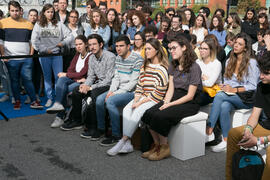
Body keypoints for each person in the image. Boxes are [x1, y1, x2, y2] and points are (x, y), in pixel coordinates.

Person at [140, 37, 202, 161]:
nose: (171, 51)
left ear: (184, 47)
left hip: (189, 102)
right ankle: (157, 145)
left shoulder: (194, 67)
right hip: (174, 96)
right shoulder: (173, 65)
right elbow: (171, 89)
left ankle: (164, 147)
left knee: (160, 116)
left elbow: (190, 95)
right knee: (148, 114)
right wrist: (166, 101)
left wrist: (169, 105)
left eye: (174, 48)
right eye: (170, 49)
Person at [107, 38, 169, 156]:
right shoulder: (145, 66)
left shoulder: (162, 69)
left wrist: (139, 103)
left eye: (149, 49)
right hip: (142, 97)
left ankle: (123, 140)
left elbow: (157, 94)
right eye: (146, 49)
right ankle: (128, 143)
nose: (146, 51)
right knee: (127, 109)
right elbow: (140, 85)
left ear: (157, 51)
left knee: (137, 111)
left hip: (154, 100)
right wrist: (136, 99)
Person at [205, 33, 260, 152]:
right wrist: (225, 86)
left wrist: (234, 89)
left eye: (240, 44)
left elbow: (253, 86)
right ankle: (226, 140)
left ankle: (209, 129)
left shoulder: (252, 62)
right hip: (231, 95)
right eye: (235, 43)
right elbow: (228, 80)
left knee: (219, 95)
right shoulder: (230, 60)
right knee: (224, 106)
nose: (236, 46)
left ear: (245, 48)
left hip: (248, 97)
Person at [225, 34, 270, 180]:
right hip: (266, 126)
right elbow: (255, 115)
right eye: (261, 72)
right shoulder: (262, 86)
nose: (261, 76)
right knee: (233, 134)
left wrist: (258, 141)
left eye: (266, 73)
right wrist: (248, 130)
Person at [60, 34, 116, 137]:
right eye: (90, 45)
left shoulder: (110, 57)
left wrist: (90, 87)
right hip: (98, 83)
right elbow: (90, 77)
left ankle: (94, 128)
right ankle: (77, 121)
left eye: (94, 44)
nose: (92, 47)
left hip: (110, 85)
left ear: (101, 44)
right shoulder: (91, 58)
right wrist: (85, 85)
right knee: (77, 90)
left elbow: (108, 81)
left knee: (93, 94)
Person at [94, 35, 143, 145]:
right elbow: (116, 78)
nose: (118, 48)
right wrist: (111, 91)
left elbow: (133, 83)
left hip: (132, 92)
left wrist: (114, 94)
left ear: (128, 46)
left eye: (121, 46)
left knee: (110, 101)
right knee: (99, 100)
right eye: (116, 46)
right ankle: (102, 129)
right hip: (119, 90)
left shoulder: (137, 59)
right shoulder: (118, 58)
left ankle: (116, 135)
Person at [0, 1, 42, 110]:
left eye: (16, 10)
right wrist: (4, 55)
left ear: (20, 11)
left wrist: (31, 55)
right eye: (12, 10)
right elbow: (1, 42)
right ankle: (17, 101)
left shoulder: (28, 24)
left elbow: (32, 41)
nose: (15, 12)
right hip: (11, 59)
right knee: (14, 81)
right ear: (9, 11)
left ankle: (34, 101)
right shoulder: (3, 23)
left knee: (27, 79)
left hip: (26, 59)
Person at [31, 4, 73, 107]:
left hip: (57, 55)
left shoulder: (59, 24)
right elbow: (34, 41)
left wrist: (62, 43)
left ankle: (59, 100)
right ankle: (50, 98)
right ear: (44, 13)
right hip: (44, 56)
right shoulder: (38, 25)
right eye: (48, 12)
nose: (50, 14)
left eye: (52, 12)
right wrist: (45, 50)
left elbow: (70, 36)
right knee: (47, 78)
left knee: (58, 78)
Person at [46, 35, 91, 128]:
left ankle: (60, 115)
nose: (78, 46)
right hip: (76, 79)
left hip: (84, 81)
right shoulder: (77, 55)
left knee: (66, 87)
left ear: (86, 44)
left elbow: (83, 73)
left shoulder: (90, 56)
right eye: (76, 44)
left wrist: (68, 75)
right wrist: (71, 76)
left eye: (80, 44)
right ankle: (58, 105)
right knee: (61, 79)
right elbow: (70, 69)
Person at [197, 39, 221, 106]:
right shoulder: (197, 62)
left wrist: (199, 79)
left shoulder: (216, 64)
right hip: (200, 90)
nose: (201, 50)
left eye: (205, 49)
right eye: (200, 48)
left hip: (211, 93)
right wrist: (204, 78)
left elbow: (210, 84)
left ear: (211, 50)